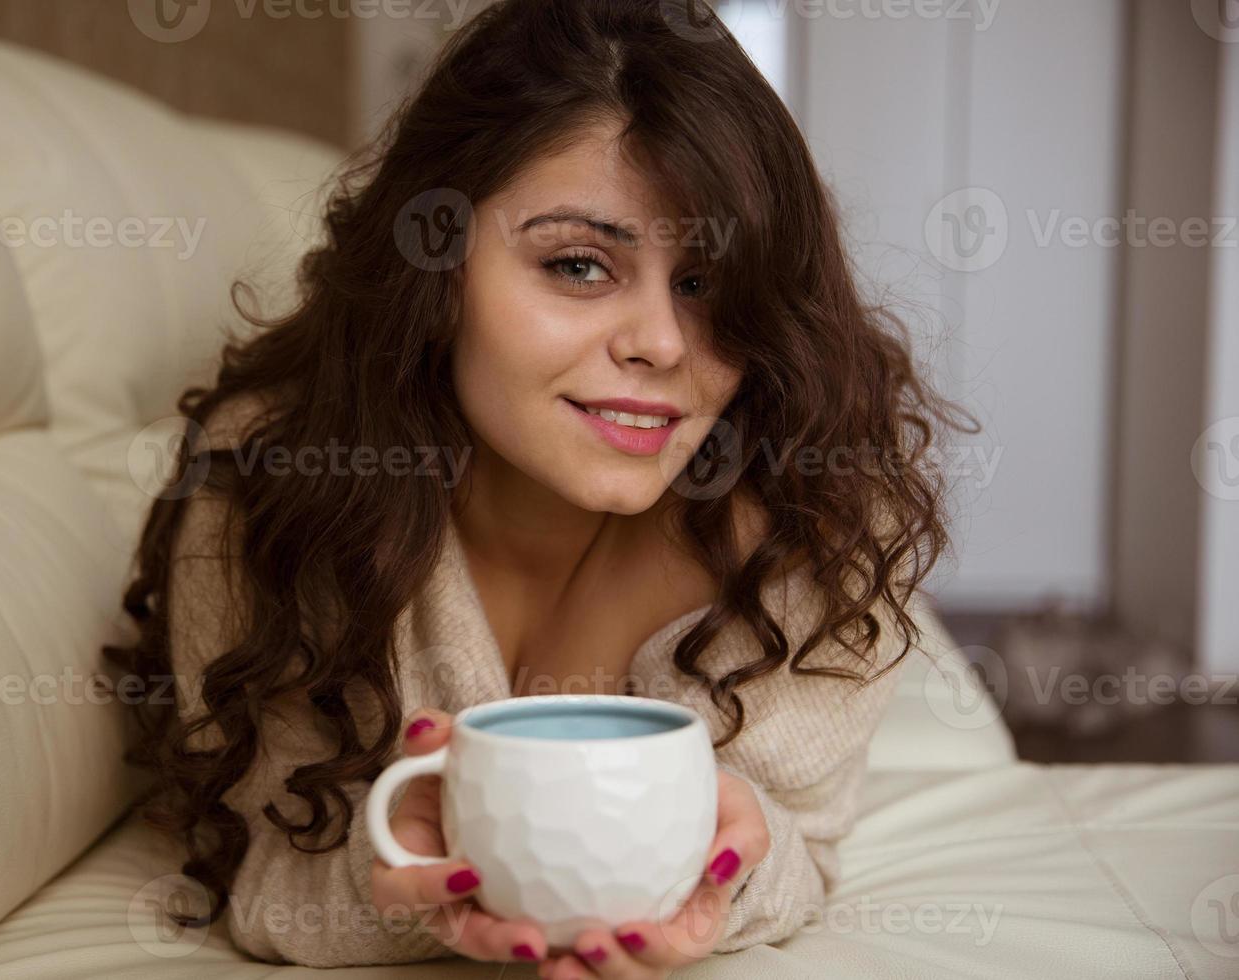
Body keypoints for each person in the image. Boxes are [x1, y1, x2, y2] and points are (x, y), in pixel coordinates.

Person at [104, 1, 972, 976]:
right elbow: (262, 871)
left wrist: (723, 868)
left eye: (705, 284)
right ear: (435, 261)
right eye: (578, 263)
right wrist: (410, 874)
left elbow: (796, 845)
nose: (661, 342)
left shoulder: (824, 509)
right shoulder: (275, 482)